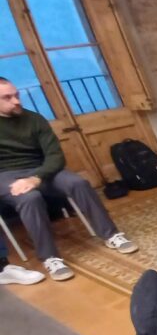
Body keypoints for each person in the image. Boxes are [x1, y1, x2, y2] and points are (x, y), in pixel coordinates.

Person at [0, 77, 137, 281]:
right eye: (7, 98)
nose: (17, 101)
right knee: (30, 198)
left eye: (17, 95)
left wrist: (37, 177)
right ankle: (50, 258)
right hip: (5, 175)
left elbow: (55, 155)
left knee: (78, 183)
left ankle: (111, 234)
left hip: (41, 169)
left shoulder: (34, 119)